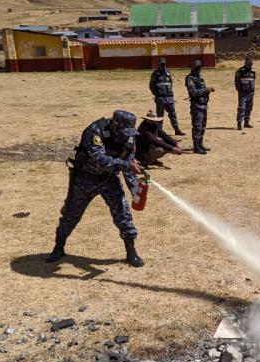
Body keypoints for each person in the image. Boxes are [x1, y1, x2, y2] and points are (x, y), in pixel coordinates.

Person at [47, 111, 145, 267]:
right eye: (123, 133)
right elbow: (99, 159)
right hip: (84, 179)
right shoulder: (95, 131)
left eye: (129, 133)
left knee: (123, 213)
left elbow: (129, 163)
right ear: (114, 125)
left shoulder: (130, 137)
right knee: (71, 214)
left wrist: (135, 190)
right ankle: (58, 248)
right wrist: (127, 165)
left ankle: (131, 252)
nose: (125, 137)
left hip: (109, 179)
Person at [149, 57, 185, 136]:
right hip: (160, 98)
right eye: (161, 64)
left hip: (169, 98)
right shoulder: (155, 74)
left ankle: (177, 130)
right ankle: (159, 132)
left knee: (173, 114)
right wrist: (157, 94)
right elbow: (151, 86)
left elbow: (170, 84)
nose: (163, 65)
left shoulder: (168, 72)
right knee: (160, 116)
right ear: (158, 64)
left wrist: (169, 94)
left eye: (164, 64)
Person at [185, 59, 214, 154]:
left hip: (203, 105)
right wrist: (206, 90)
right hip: (196, 106)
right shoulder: (190, 79)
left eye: (199, 68)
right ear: (193, 68)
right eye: (196, 68)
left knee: (202, 126)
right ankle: (196, 147)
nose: (198, 70)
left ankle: (200, 144)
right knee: (197, 126)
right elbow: (193, 93)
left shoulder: (200, 79)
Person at [234, 56, 256, 130]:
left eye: (251, 63)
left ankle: (246, 122)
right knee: (242, 108)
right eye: (249, 63)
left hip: (251, 93)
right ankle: (239, 123)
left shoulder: (253, 71)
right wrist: (240, 90)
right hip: (243, 93)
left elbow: (253, 80)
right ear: (245, 63)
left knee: (249, 108)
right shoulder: (240, 71)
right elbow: (236, 81)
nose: (250, 64)